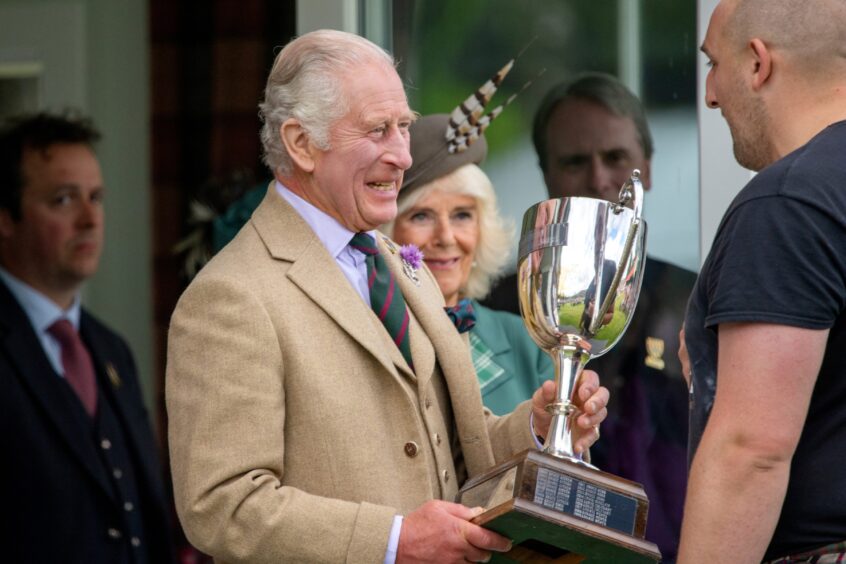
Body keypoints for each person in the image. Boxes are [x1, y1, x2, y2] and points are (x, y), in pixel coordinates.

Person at [165, 29, 609, 564]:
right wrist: (394, 540)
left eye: (402, 127)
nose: (402, 155)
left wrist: (537, 428)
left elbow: (453, 453)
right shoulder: (229, 296)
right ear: (300, 143)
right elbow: (222, 506)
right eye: (377, 131)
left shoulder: (398, 264)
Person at [483, 73, 697, 561]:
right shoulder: (504, 304)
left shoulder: (693, 302)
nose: (599, 179)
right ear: (547, 175)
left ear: (648, 166)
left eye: (617, 158)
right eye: (576, 161)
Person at [679, 1, 846, 562]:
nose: (709, 94)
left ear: (757, 63)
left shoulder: (791, 203)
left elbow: (751, 451)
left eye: (713, 64)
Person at [0, 112, 175, 563]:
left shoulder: (111, 349)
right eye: (63, 199)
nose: (89, 219)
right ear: (5, 217)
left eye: (96, 197)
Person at [382, 113, 553, 416]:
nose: (446, 237)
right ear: (388, 231)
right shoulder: (370, 338)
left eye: (462, 215)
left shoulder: (528, 344)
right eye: (421, 216)